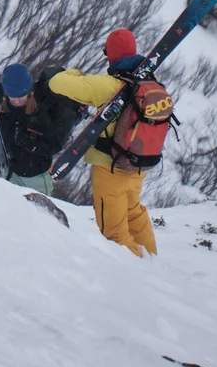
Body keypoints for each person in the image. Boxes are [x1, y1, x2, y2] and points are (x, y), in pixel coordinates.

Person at [46, 29, 171, 256]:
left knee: (113, 231)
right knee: (134, 212)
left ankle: (143, 276)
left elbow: (56, 83)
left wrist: (76, 73)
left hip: (110, 167)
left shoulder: (108, 86)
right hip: (138, 164)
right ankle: (153, 260)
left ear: (110, 55)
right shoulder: (149, 81)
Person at [0, 62, 79, 196]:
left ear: (30, 92)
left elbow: (54, 144)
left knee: (37, 214)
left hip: (36, 178)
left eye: (20, 97)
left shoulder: (40, 112)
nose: (17, 101)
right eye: (13, 98)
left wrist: (31, 144)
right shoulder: (7, 105)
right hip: (10, 171)